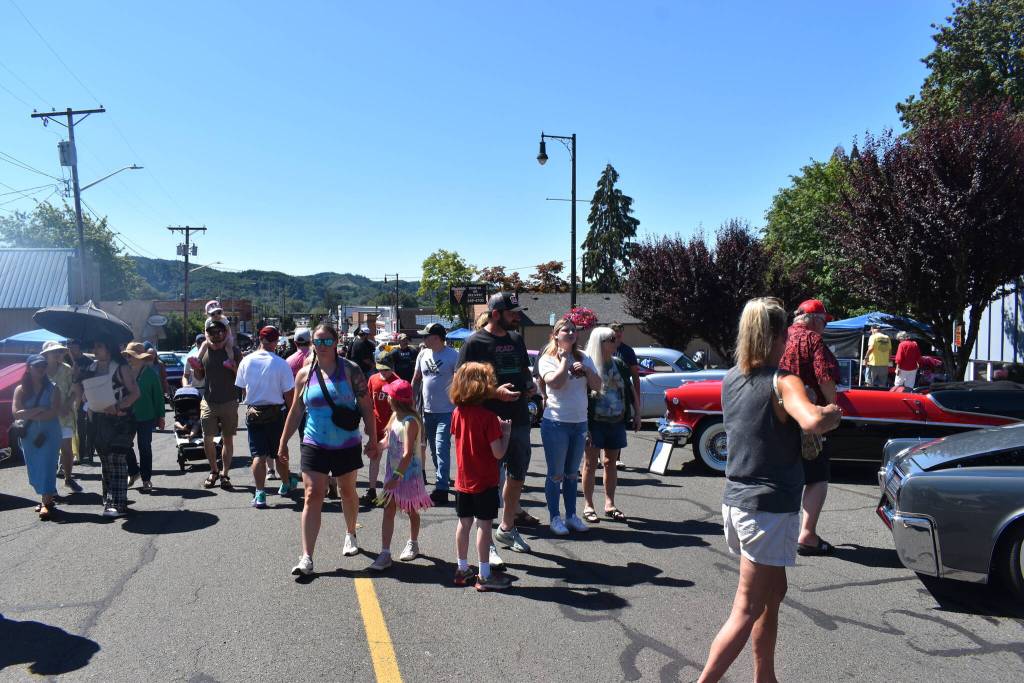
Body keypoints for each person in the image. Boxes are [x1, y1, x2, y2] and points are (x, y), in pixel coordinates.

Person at [698, 297, 842, 683]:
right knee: (747, 607)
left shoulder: (731, 378)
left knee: (773, 593)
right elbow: (812, 421)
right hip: (767, 510)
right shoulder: (784, 381)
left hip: (737, 504)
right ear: (779, 336)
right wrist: (830, 413)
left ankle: (766, 677)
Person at [282, 324, 379, 576]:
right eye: (318, 341)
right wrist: (282, 443)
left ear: (336, 342)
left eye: (327, 341)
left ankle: (350, 533)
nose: (322, 346)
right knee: (313, 494)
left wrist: (373, 438)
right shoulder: (304, 374)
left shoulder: (351, 370)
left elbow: (366, 407)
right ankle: (306, 557)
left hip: (346, 443)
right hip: (315, 442)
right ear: (312, 343)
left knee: (347, 491)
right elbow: (295, 411)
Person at [457, 291, 538, 556]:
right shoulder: (474, 343)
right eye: (511, 313)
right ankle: (487, 541)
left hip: (518, 418)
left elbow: (523, 370)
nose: (516, 317)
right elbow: (462, 385)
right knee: (488, 481)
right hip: (486, 420)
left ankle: (506, 527)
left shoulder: (516, 339)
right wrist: (494, 393)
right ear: (495, 314)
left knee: (517, 474)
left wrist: (529, 386)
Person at [778, 299, 841, 556]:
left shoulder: (779, 337)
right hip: (807, 416)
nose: (825, 326)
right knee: (817, 476)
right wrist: (832, 406)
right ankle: (807, 535)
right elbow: (824, 377)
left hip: (778, 415)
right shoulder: (813, 340)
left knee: (784, 473)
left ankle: (781, 529)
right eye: (824, 321)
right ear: (814, 320)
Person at [450, 362, 513, 591]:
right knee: (484, 526)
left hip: (463, 480)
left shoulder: (457, 412)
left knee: (463, 523)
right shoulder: (489, 417)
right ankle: (484, 574)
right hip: (485, 480)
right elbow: (498, 452)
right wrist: (505, 433)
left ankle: (461, 568)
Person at [537, 318, 600, 535]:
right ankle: (555, 518)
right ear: (555, 335)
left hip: (579, 422)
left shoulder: (584, 357)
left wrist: (586, 370)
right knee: (556, 474)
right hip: (555, 422)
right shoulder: (547, 358)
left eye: (574, 330)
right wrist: (564, 361)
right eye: (566, 330)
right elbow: (554, 383)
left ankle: (571, 515)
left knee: (572, 473)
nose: (571, 333)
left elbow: (597, 385)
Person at [368, 378, 434, 571]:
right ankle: (385, 552)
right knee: (389, 510)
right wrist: (376, 448)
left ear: (395, 399)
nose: (386, 397)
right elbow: (387, 441)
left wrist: (396, 476)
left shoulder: (410, 421)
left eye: (389, 395)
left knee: (411, 510)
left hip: (407, 476)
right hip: (394, 472)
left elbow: (407, 453)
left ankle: (413, 542)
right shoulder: (395, 416)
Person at [580, 326, 640, 523]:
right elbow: (581, 395)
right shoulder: (588, 364)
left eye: (616, 338)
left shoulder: (619, 364)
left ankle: (609, 503)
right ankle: (588, 505)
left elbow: (630, 390)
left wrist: (637, 413)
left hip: (616, 421)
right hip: (594, 422)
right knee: (590, 464)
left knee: (610, 463)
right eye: (611, 339)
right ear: (600, 342)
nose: (616, 342)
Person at [235, 326, 298, 509]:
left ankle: (260, 493)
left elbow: (242, 387)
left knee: (258, 456)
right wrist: (291, 414)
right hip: (275, 413)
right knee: (279, 454)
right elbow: (289, 394)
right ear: (276, 341)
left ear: (259, 340)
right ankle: (286, 485)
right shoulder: (280, 363)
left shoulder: (246, 361)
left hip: (254, 412)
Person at [81, 339, 140, 518]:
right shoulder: (90, 369)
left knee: (117, 459)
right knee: (106, 461)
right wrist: (88, 404)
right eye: (95, 346)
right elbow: (84, 395)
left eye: (99, 345)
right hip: (99, 421)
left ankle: (119, 503)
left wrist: (118, 407)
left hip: (122, 421)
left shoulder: (121, 368)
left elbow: (136, 393)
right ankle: (109, 501)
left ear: (109, 348)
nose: (95, 349)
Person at [190, 319, 244, 491]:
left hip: (229, 401)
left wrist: (234, 368)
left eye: (220, 331)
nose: (216, 334)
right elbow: (199, 378)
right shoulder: (204, 351)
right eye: (212, 332)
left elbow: (242, 378)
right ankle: (214, 470)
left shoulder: (233, 351)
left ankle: (225, 474)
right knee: (207, 438)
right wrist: (196, 369)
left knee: (228, 439)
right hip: (209, 401)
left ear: (225, 332)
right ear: (208, 333)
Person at [412, 322, 459, 505]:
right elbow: (416, 379)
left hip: (446, 411)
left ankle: (441, 489)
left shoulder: (453, 356)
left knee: (441, 447)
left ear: (437, 338)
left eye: (426, 335)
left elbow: (458, 381)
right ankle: (443, 480)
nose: (423, 339)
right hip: (427, 410)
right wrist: (410, 400)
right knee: (432, 448)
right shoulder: (423, 354)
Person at [13, 354, 63, 520]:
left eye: (43, 366)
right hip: (29, 434)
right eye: (37, 366)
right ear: (29, 368)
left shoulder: (53, 388)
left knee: (47, 464)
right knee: (34, 466)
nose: (41, 369)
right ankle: (45, 495)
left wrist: (28, 414)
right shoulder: (21, 389)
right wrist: (37, 410)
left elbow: (52, 413)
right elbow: (16, 413)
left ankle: (46, 502)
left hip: (49, 432)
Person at [123, 342, 165, 493]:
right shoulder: (124, 372)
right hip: (127, 415)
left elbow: (158, 397)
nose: (128, 358)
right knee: (125, 445)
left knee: (144, 447)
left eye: (131, 355)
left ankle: (146, 479)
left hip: (147, 416)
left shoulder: (150, 374)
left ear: (140, 357)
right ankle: (133, 471)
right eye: (127, 355)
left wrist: (161, 416)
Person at [41, 340, 81, 492]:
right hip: (47, 416)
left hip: (65, 414)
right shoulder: (40, 370)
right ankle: (49, 485)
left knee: (66, 449)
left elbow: (74, 391)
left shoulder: (67, 369)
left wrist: (67, 405)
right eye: (53, 352)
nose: (57, 354)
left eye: (59, 351)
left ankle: (68, 478)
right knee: (49, 450)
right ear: (45, 355)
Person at [361, 354, 397, 507]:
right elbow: (368, 403)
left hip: (393, 426)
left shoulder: (397, 381)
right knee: (374, 457)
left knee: (393, 461)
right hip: (376, 425)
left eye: (386, 370)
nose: (383, 373)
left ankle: (390, 492)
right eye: (381, 369)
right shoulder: (373, 379)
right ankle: (371, 490)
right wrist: (368, 425)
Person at [67, 339, 95, 465]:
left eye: (73, 346)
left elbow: (92, 379)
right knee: (76, 427)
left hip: (87, 397)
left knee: (87, 426)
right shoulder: (67, 362)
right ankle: (78, 454)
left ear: (79, 347)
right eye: (69, 347)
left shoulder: (88, 361)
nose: (71, 349)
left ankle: (88, 455)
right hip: (72, 398)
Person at [182, 334, 207, 398]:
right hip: (193, 391)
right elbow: (185, 376)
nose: (201, 344)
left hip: (208, 390)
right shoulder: (191, 358)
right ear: (196, 344)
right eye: (199, 342)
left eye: (203, 342)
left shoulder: (212, 357)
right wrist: (185, 386)